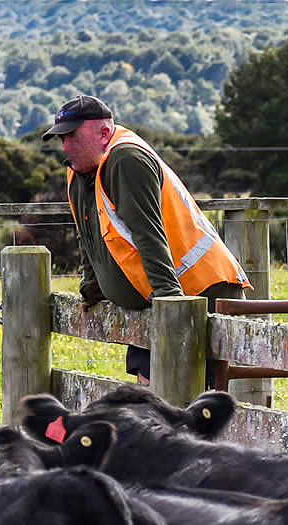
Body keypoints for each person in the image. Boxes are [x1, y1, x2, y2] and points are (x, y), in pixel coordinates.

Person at [42, 94, 251, 385]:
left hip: (196, 293)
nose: (64, 147)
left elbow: (148, 233)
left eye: (71, 137)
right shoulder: (79, 172)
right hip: (154, 300)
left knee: (189, 404)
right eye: (61, 139)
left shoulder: (127, 160)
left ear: (104, 133)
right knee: (152, 398)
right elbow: (89, 232)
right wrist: (92, 287)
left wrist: (170, 306)